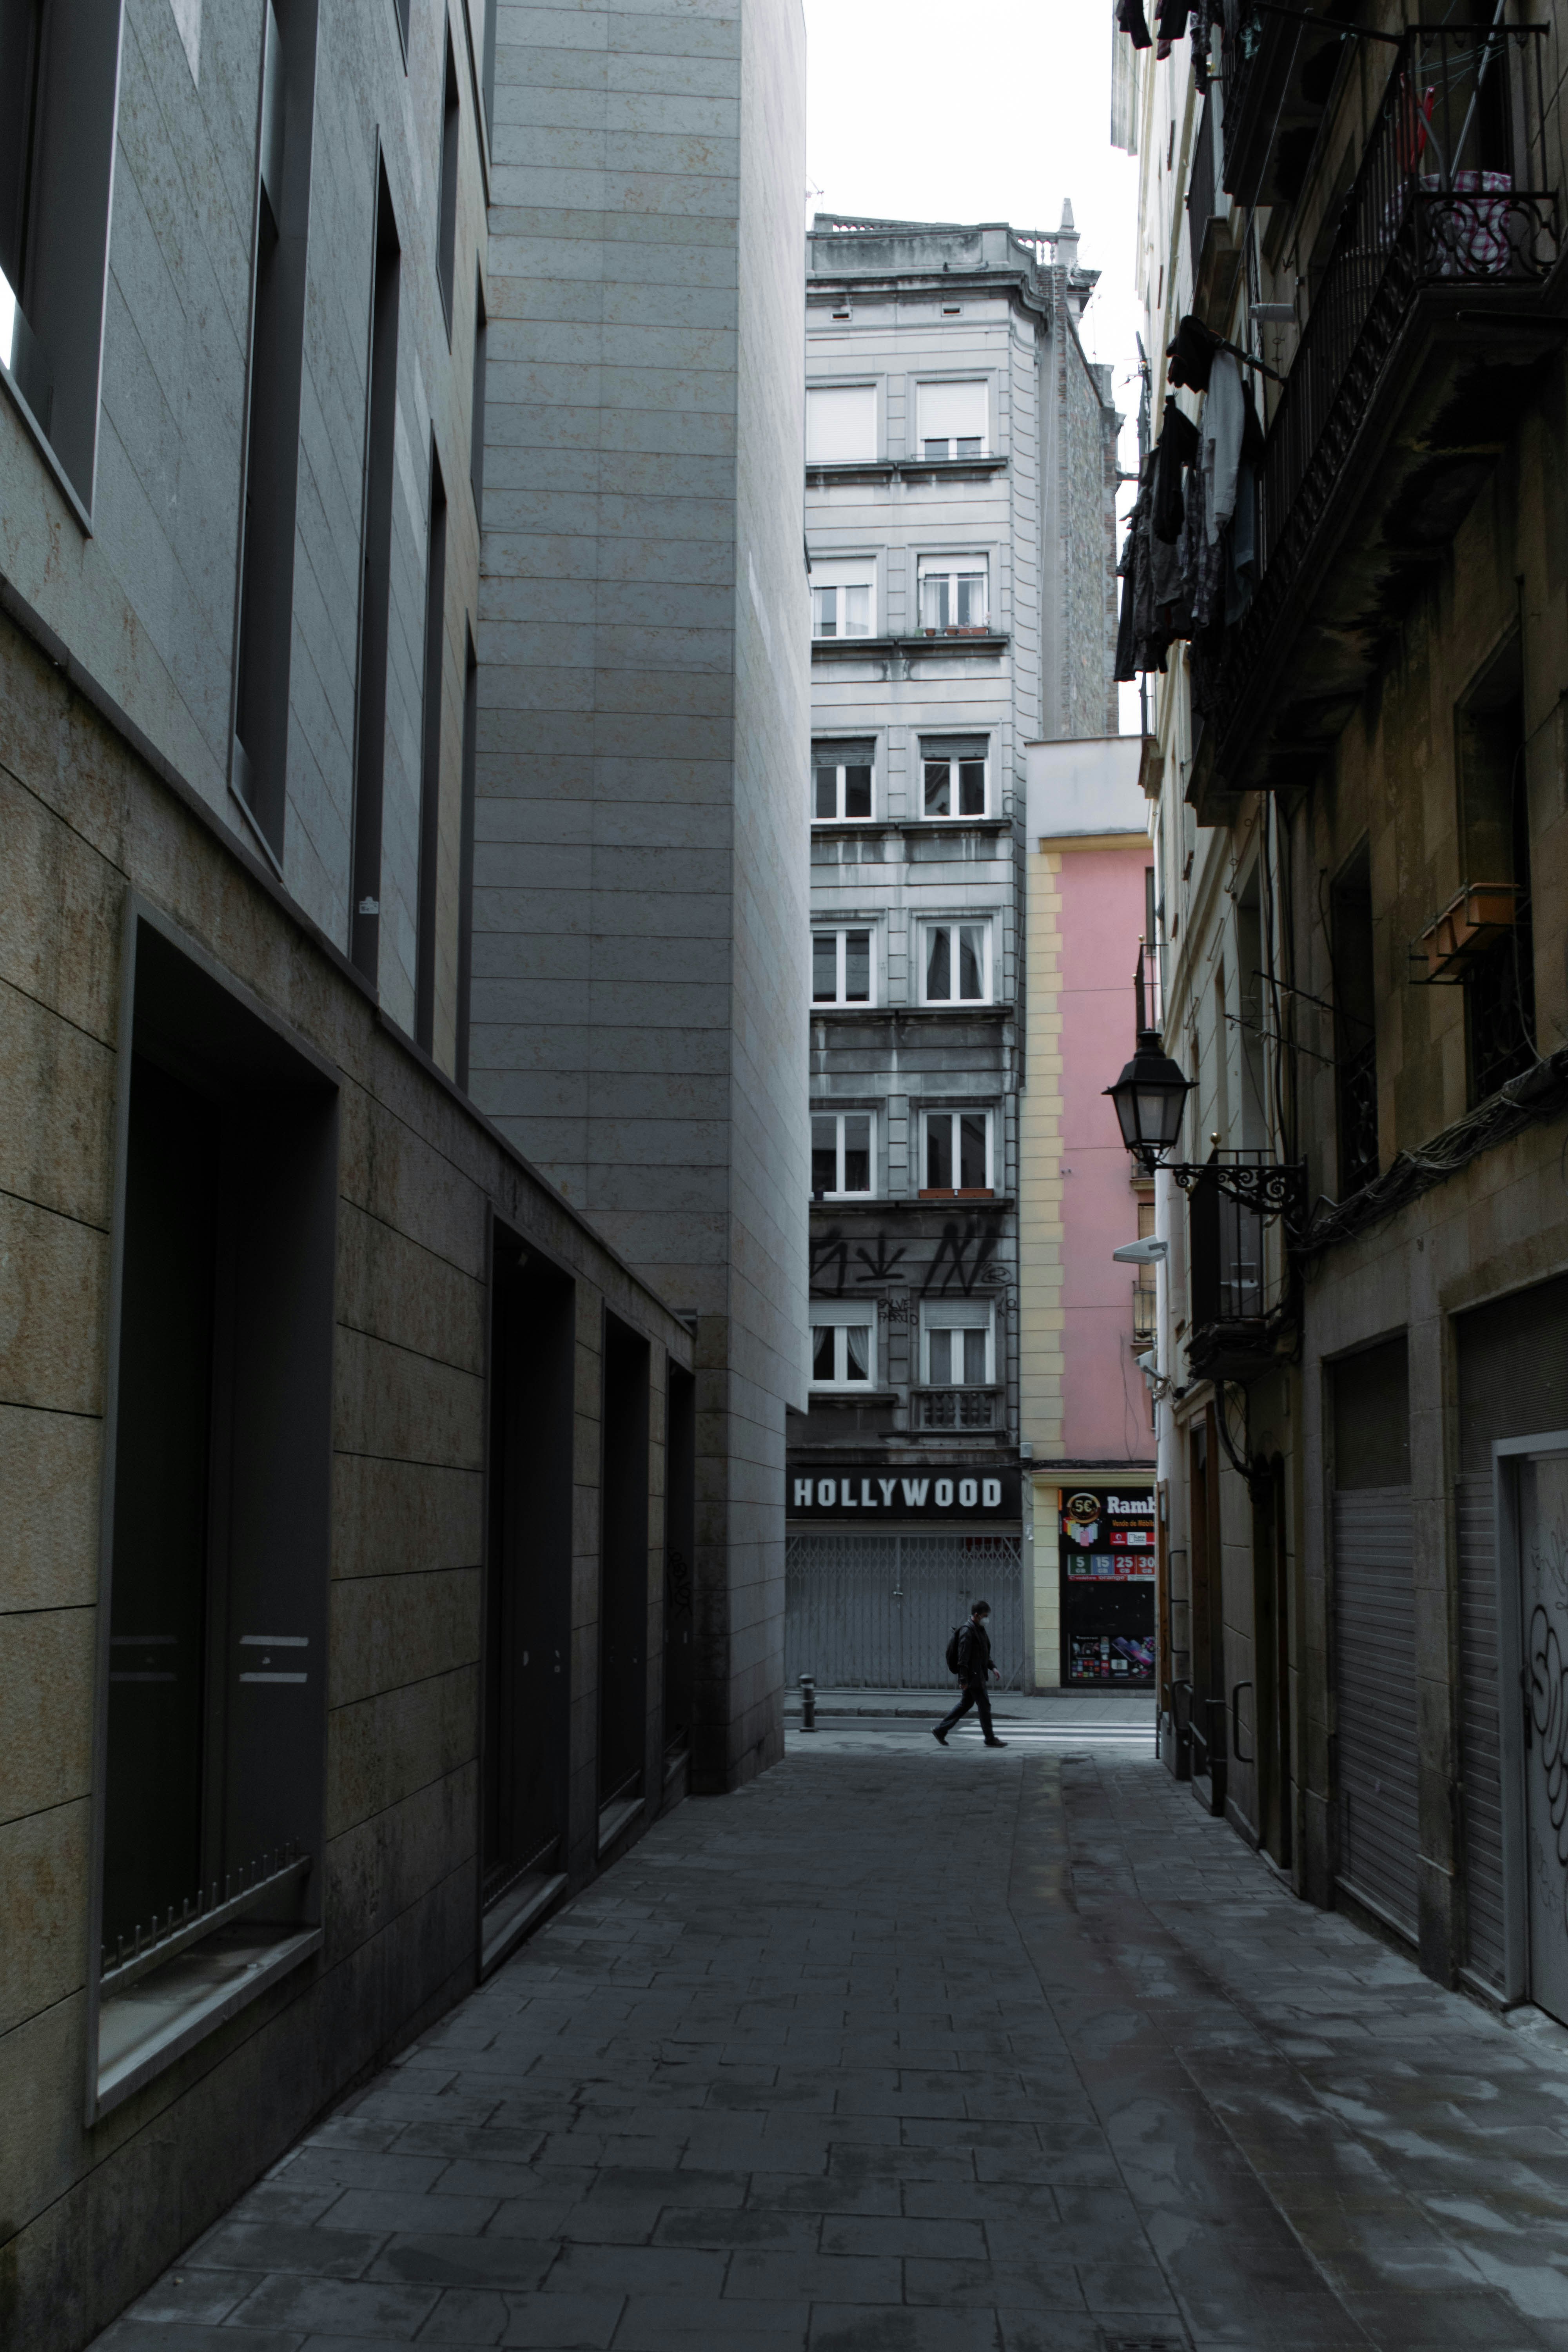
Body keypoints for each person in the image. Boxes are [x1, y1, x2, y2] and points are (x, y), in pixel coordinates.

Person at [933, 1601, 1007, 1747]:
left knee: (965, 1704)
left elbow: (983, 1653)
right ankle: (990, 1738)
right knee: (984, 1706)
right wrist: (963, 1680)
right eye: (985, 1616)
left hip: (976, 1674)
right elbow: (963, 1658)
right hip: (973, 1677)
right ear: (976, 1615)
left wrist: (993, 1667)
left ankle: (941, 1730)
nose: (987, 1619)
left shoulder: (979, 1629)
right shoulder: (968, 1631)